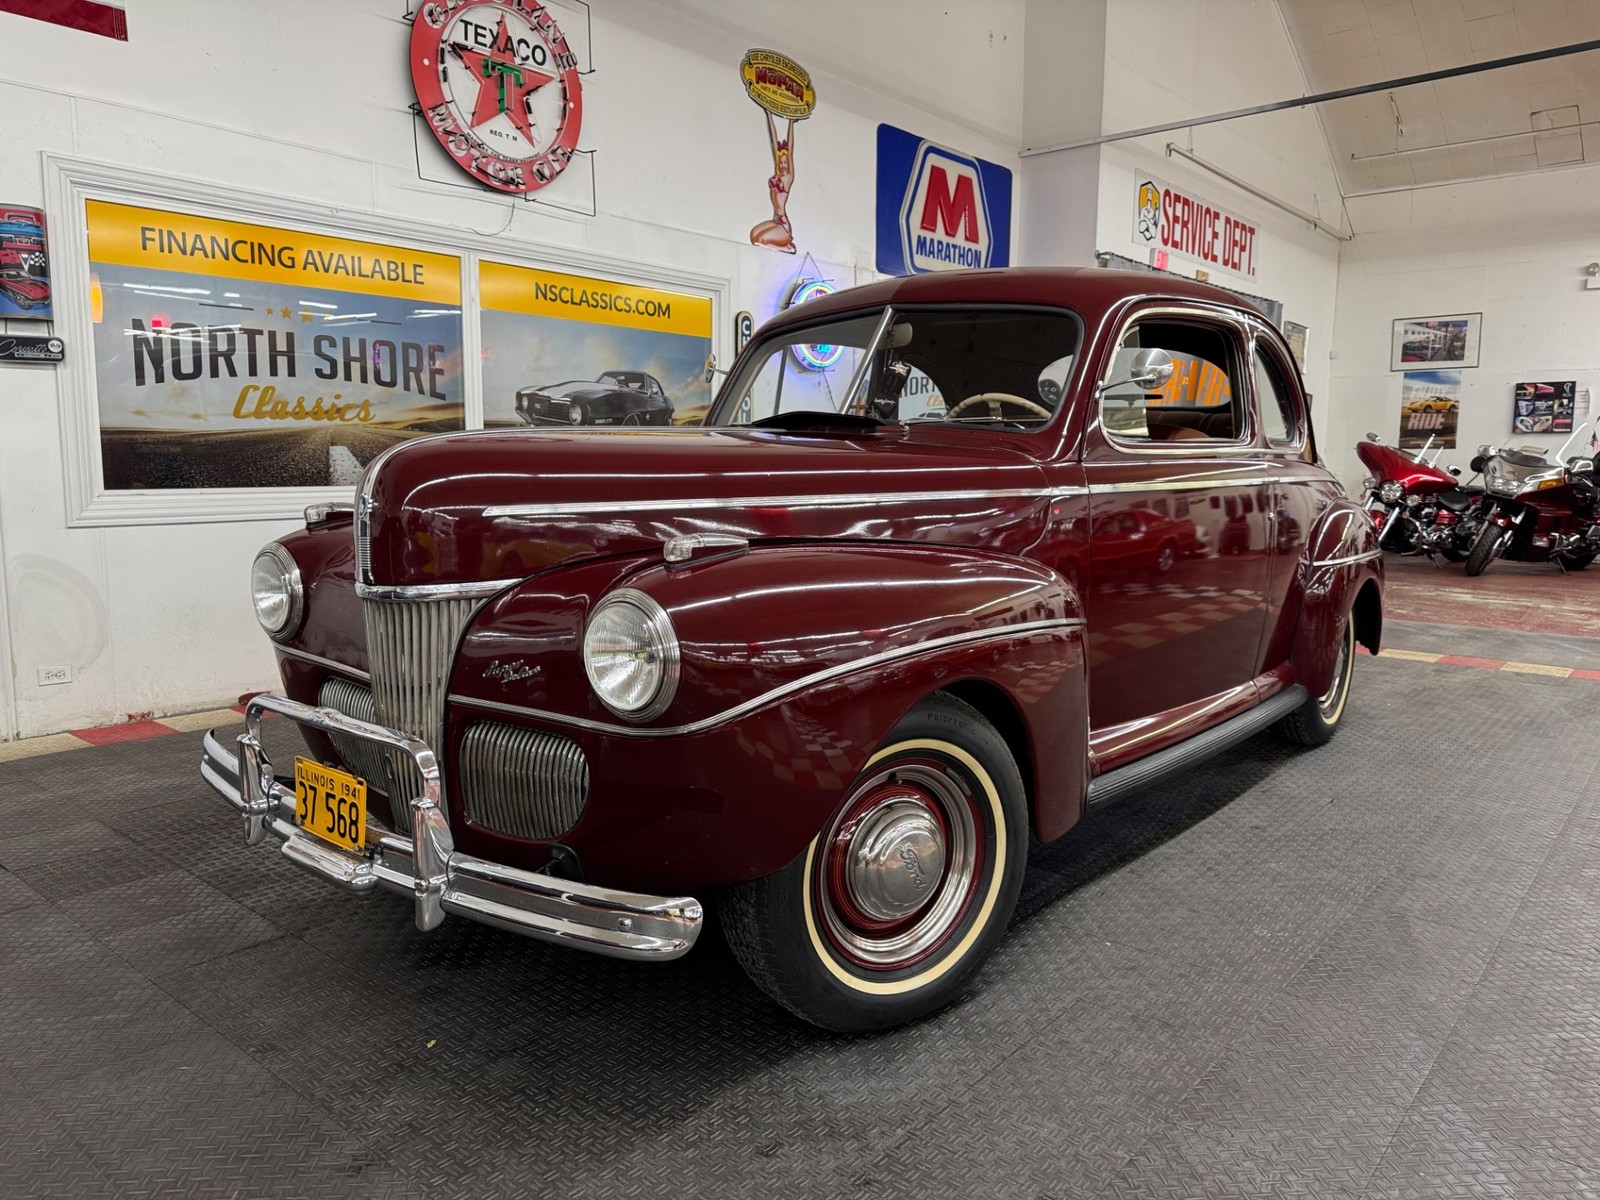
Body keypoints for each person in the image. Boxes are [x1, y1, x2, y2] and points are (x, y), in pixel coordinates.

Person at [749, 110, 797, 254]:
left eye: (785, 163)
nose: (783, 165)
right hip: (775, 220)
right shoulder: (776, 176)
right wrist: (769, 115)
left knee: (760, 241)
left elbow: (791, 148)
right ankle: (783, 246)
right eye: (781, 163)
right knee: (753, 236)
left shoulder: (788, 178)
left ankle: (786, 247)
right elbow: (773, 143)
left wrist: (791, 123)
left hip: (783, 226)